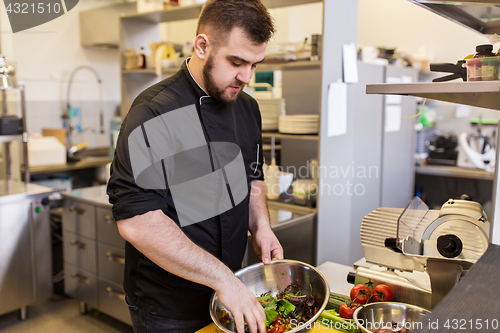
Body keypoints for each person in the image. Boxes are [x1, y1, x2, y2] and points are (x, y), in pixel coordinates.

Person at [106, 1, 283, 332]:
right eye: (237, 62)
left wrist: (260, 226)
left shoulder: (247, 108)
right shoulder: (155, 113)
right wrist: (224, 280)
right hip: (169, 306)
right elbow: (138, 222)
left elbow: (253, 177)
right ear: (203, 46)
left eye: (255, 64)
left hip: (230, 292)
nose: (246, 77)